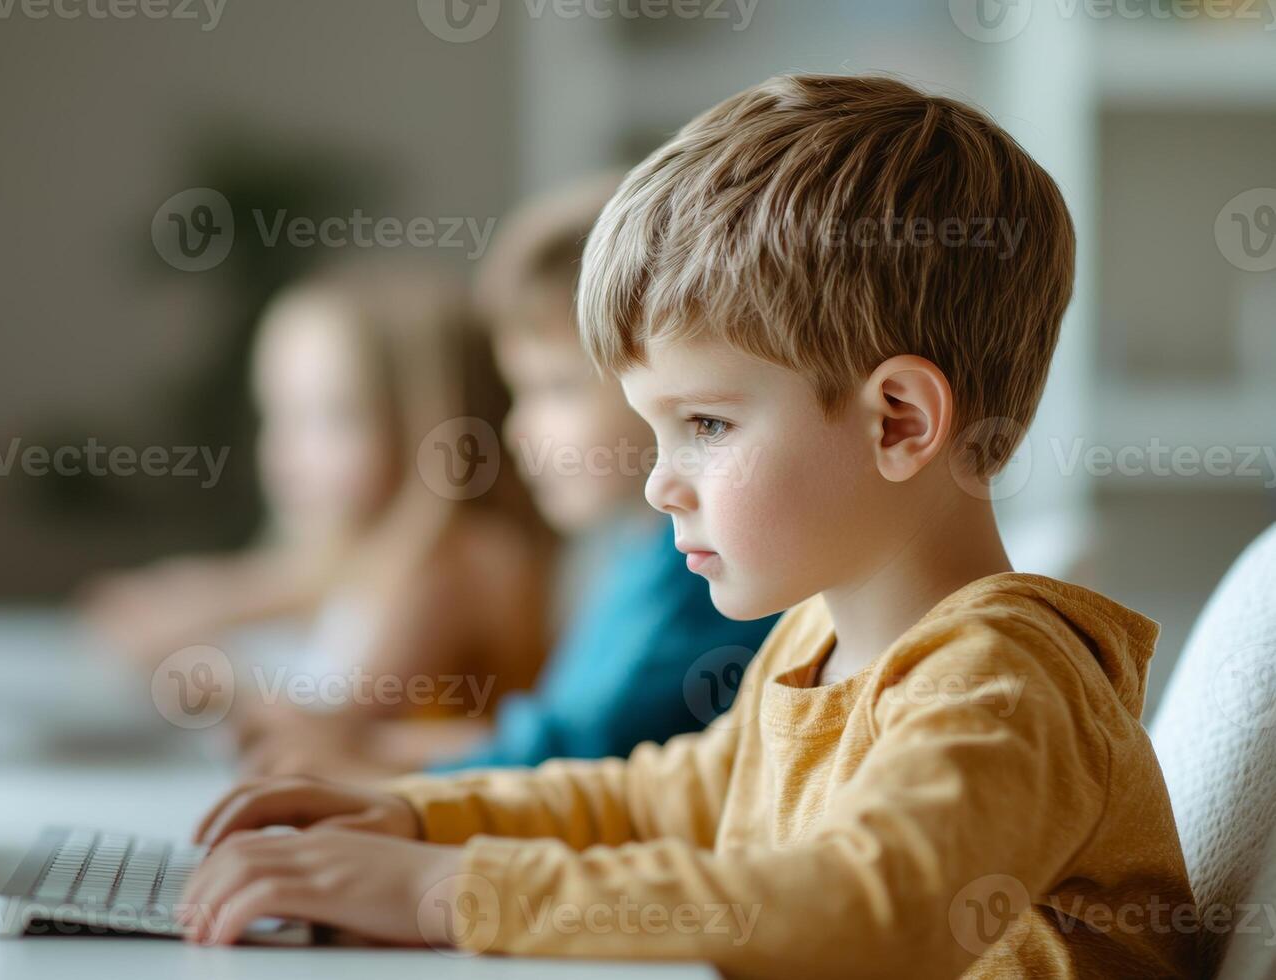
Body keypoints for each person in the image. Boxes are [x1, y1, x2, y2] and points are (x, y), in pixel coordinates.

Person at [173, 74, 1200, 978]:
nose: (662, 482)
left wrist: (447, 889)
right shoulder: (814, 643)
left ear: (901, 421)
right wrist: (412, 818)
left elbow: (867, 910)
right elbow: (659, 800)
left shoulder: (1004, 682)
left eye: (705, 423)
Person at [239, 176, 778, 780]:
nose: (517, 431)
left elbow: (575, 759)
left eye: (557, 388)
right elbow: (557, 735)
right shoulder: (633, 556)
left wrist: (366, 765)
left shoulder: (702, 579)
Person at [83, 260, 552, 729]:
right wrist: (180, 600)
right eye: (277, 414)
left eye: (332, 417)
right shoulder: (363, 550)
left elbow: (346, 728)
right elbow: (267, 586)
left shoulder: (458, 562)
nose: (287, 452)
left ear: (429, 429)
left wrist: (209, 680)